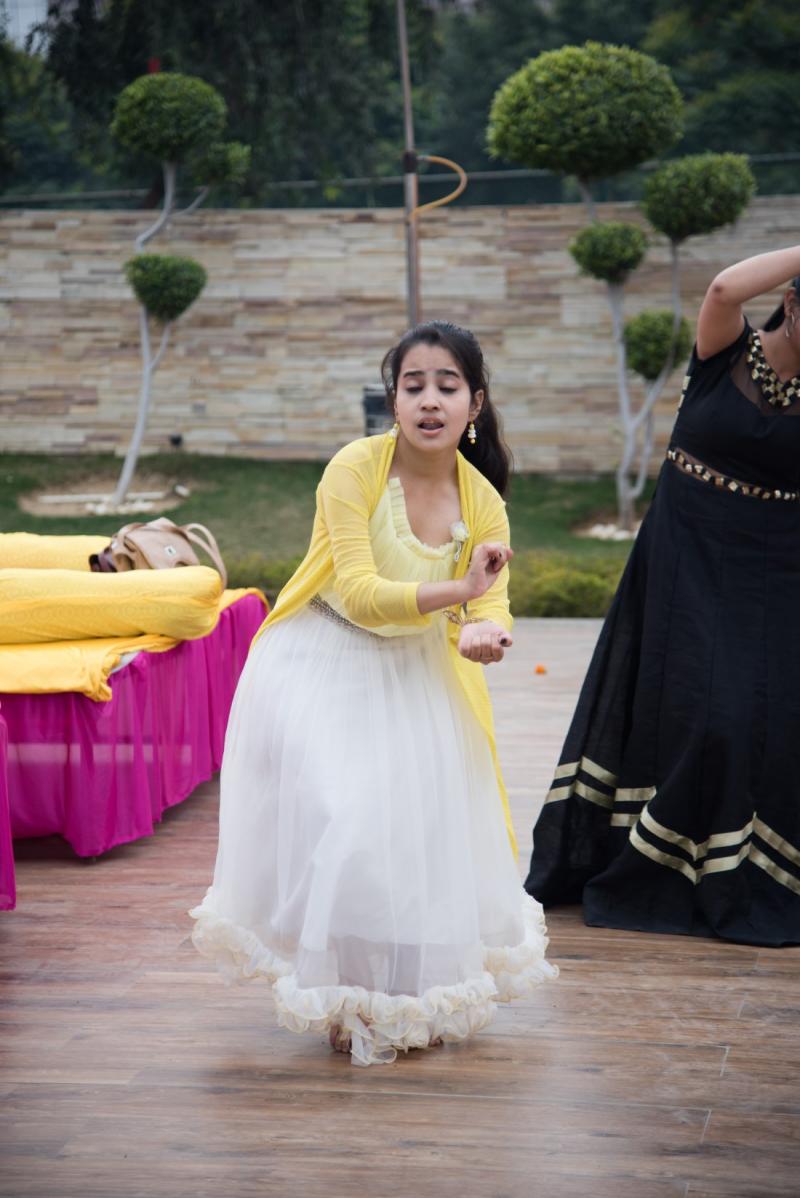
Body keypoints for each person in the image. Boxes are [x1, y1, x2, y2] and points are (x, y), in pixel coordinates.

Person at [191, 320, 557, 1065]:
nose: (429, 400)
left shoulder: (483, 501)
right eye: (413, 386)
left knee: (408, 838)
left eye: (447, 386)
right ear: (393, 401)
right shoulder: (354, 469)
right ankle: (343, 994)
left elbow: (492, 598)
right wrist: (460, 593)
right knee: (348, 818)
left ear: (475, 403)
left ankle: (394, 995)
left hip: (415, 668)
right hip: (320, 656)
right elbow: (359, 593)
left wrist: (486, 629)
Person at [526, 249, 800, 947]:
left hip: (775, 570)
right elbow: (724, 287)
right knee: (703, 712)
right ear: (792, 303)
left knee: (761, 721)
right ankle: (660, 863)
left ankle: (736, 871)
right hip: (687, 557)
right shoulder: (724, 350)